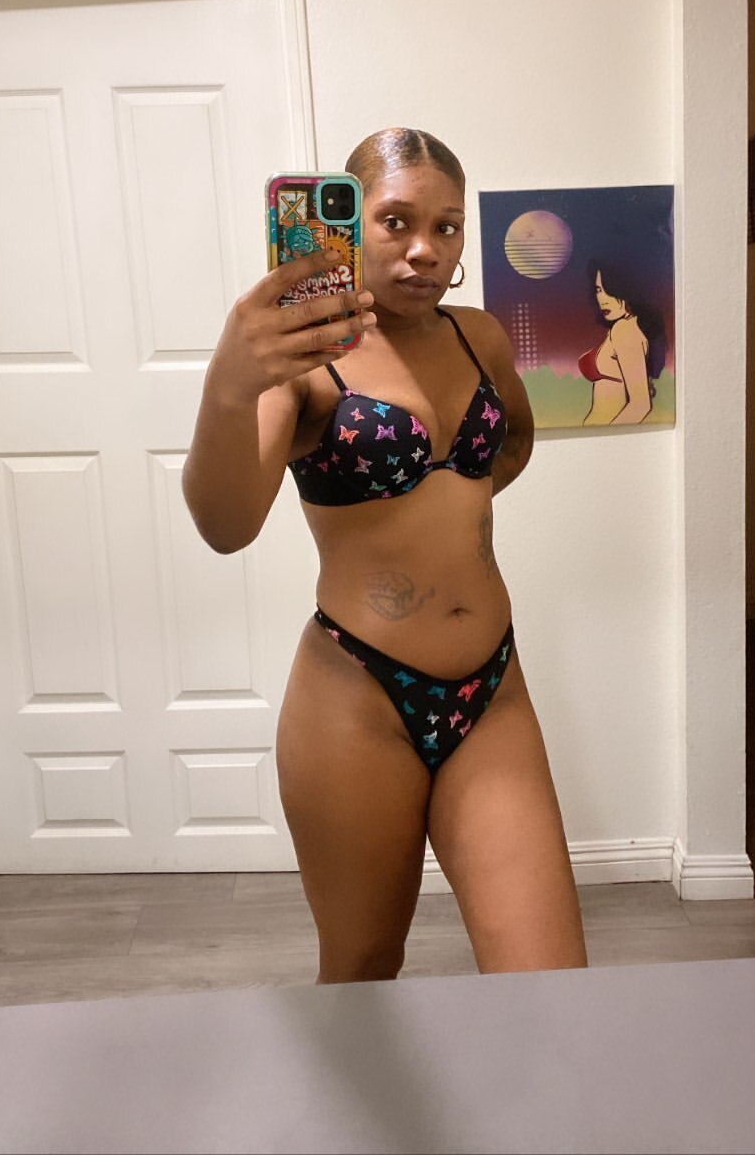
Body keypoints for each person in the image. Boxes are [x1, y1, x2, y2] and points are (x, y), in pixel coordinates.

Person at [183, 128, 587, 982]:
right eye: (396, 221)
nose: (424, 249)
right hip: (356, 698)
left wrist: (449, 513)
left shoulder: (480, 336)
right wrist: (230, 383)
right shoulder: (304, 364)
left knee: (550, 982)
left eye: (447, 226)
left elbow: (511, 442)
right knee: (363, 969)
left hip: (494, 692)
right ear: (348, 226)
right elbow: (225, 524)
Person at [579, 258, 663, 426]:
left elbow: (641, 405)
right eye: (598, 290)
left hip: (605, 435)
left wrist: (606, 437)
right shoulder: (622, 328)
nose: (602, 299)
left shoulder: (624, 330)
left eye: (608, 290)